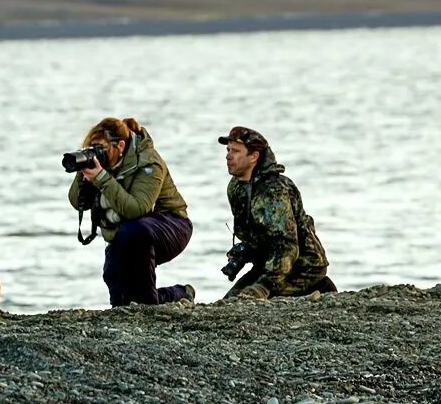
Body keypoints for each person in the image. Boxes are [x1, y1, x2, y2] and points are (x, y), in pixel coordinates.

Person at [68, 117, 194, 307]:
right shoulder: (101, 166)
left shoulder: (149, 162)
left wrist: (101, 178)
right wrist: (83, 174)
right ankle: (171, 297)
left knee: (133, 233)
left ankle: (180, 293)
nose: (97, 154)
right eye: (92, 148)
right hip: (126, 234)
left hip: (171, 225)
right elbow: (77, 202)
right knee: (120, 297)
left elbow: (136, 209)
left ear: (120, 145)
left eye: (102, 149)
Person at [219, 126, 336, 300]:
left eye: (235, 151)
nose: (228, 155)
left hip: (303, 266)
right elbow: (259, 233)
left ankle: (317, 286)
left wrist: (264, 286)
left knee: (248, 301)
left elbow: (287, 245)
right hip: (268, 263)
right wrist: (246, 251)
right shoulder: (235, 187)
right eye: (228, 150)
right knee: (230, 301)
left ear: (254, 156)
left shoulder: (274, 191)